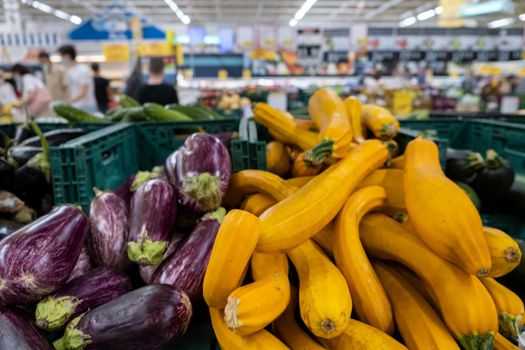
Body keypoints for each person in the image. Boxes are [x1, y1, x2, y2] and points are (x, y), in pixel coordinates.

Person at [57, 44, 97, 112]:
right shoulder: (69, 70)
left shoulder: (82, 70)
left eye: (62, 56)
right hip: (76, 106)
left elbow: (83, 92)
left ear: (67, 55)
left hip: (86, 106)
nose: (61, 59)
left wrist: (67, 102)